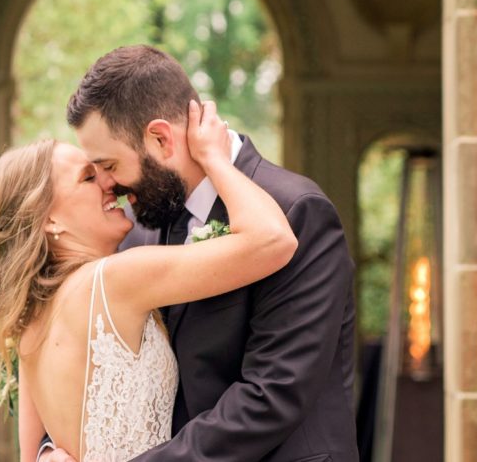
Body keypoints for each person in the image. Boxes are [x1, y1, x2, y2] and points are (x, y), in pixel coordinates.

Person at [39, 45, 358, 461]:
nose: (109, 187)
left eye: (111, 166)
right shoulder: (146, 225)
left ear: (160, 138)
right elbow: (93, 363)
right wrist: (53, 448)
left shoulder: (296, 210)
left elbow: (272, 394)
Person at [0, 99, 297, 461]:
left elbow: (31, 455)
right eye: (88, 177)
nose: (110, 184)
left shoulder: (29, 318)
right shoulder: (113, 281)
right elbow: (273, 240)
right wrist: (215, 159)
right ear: (49, 221)